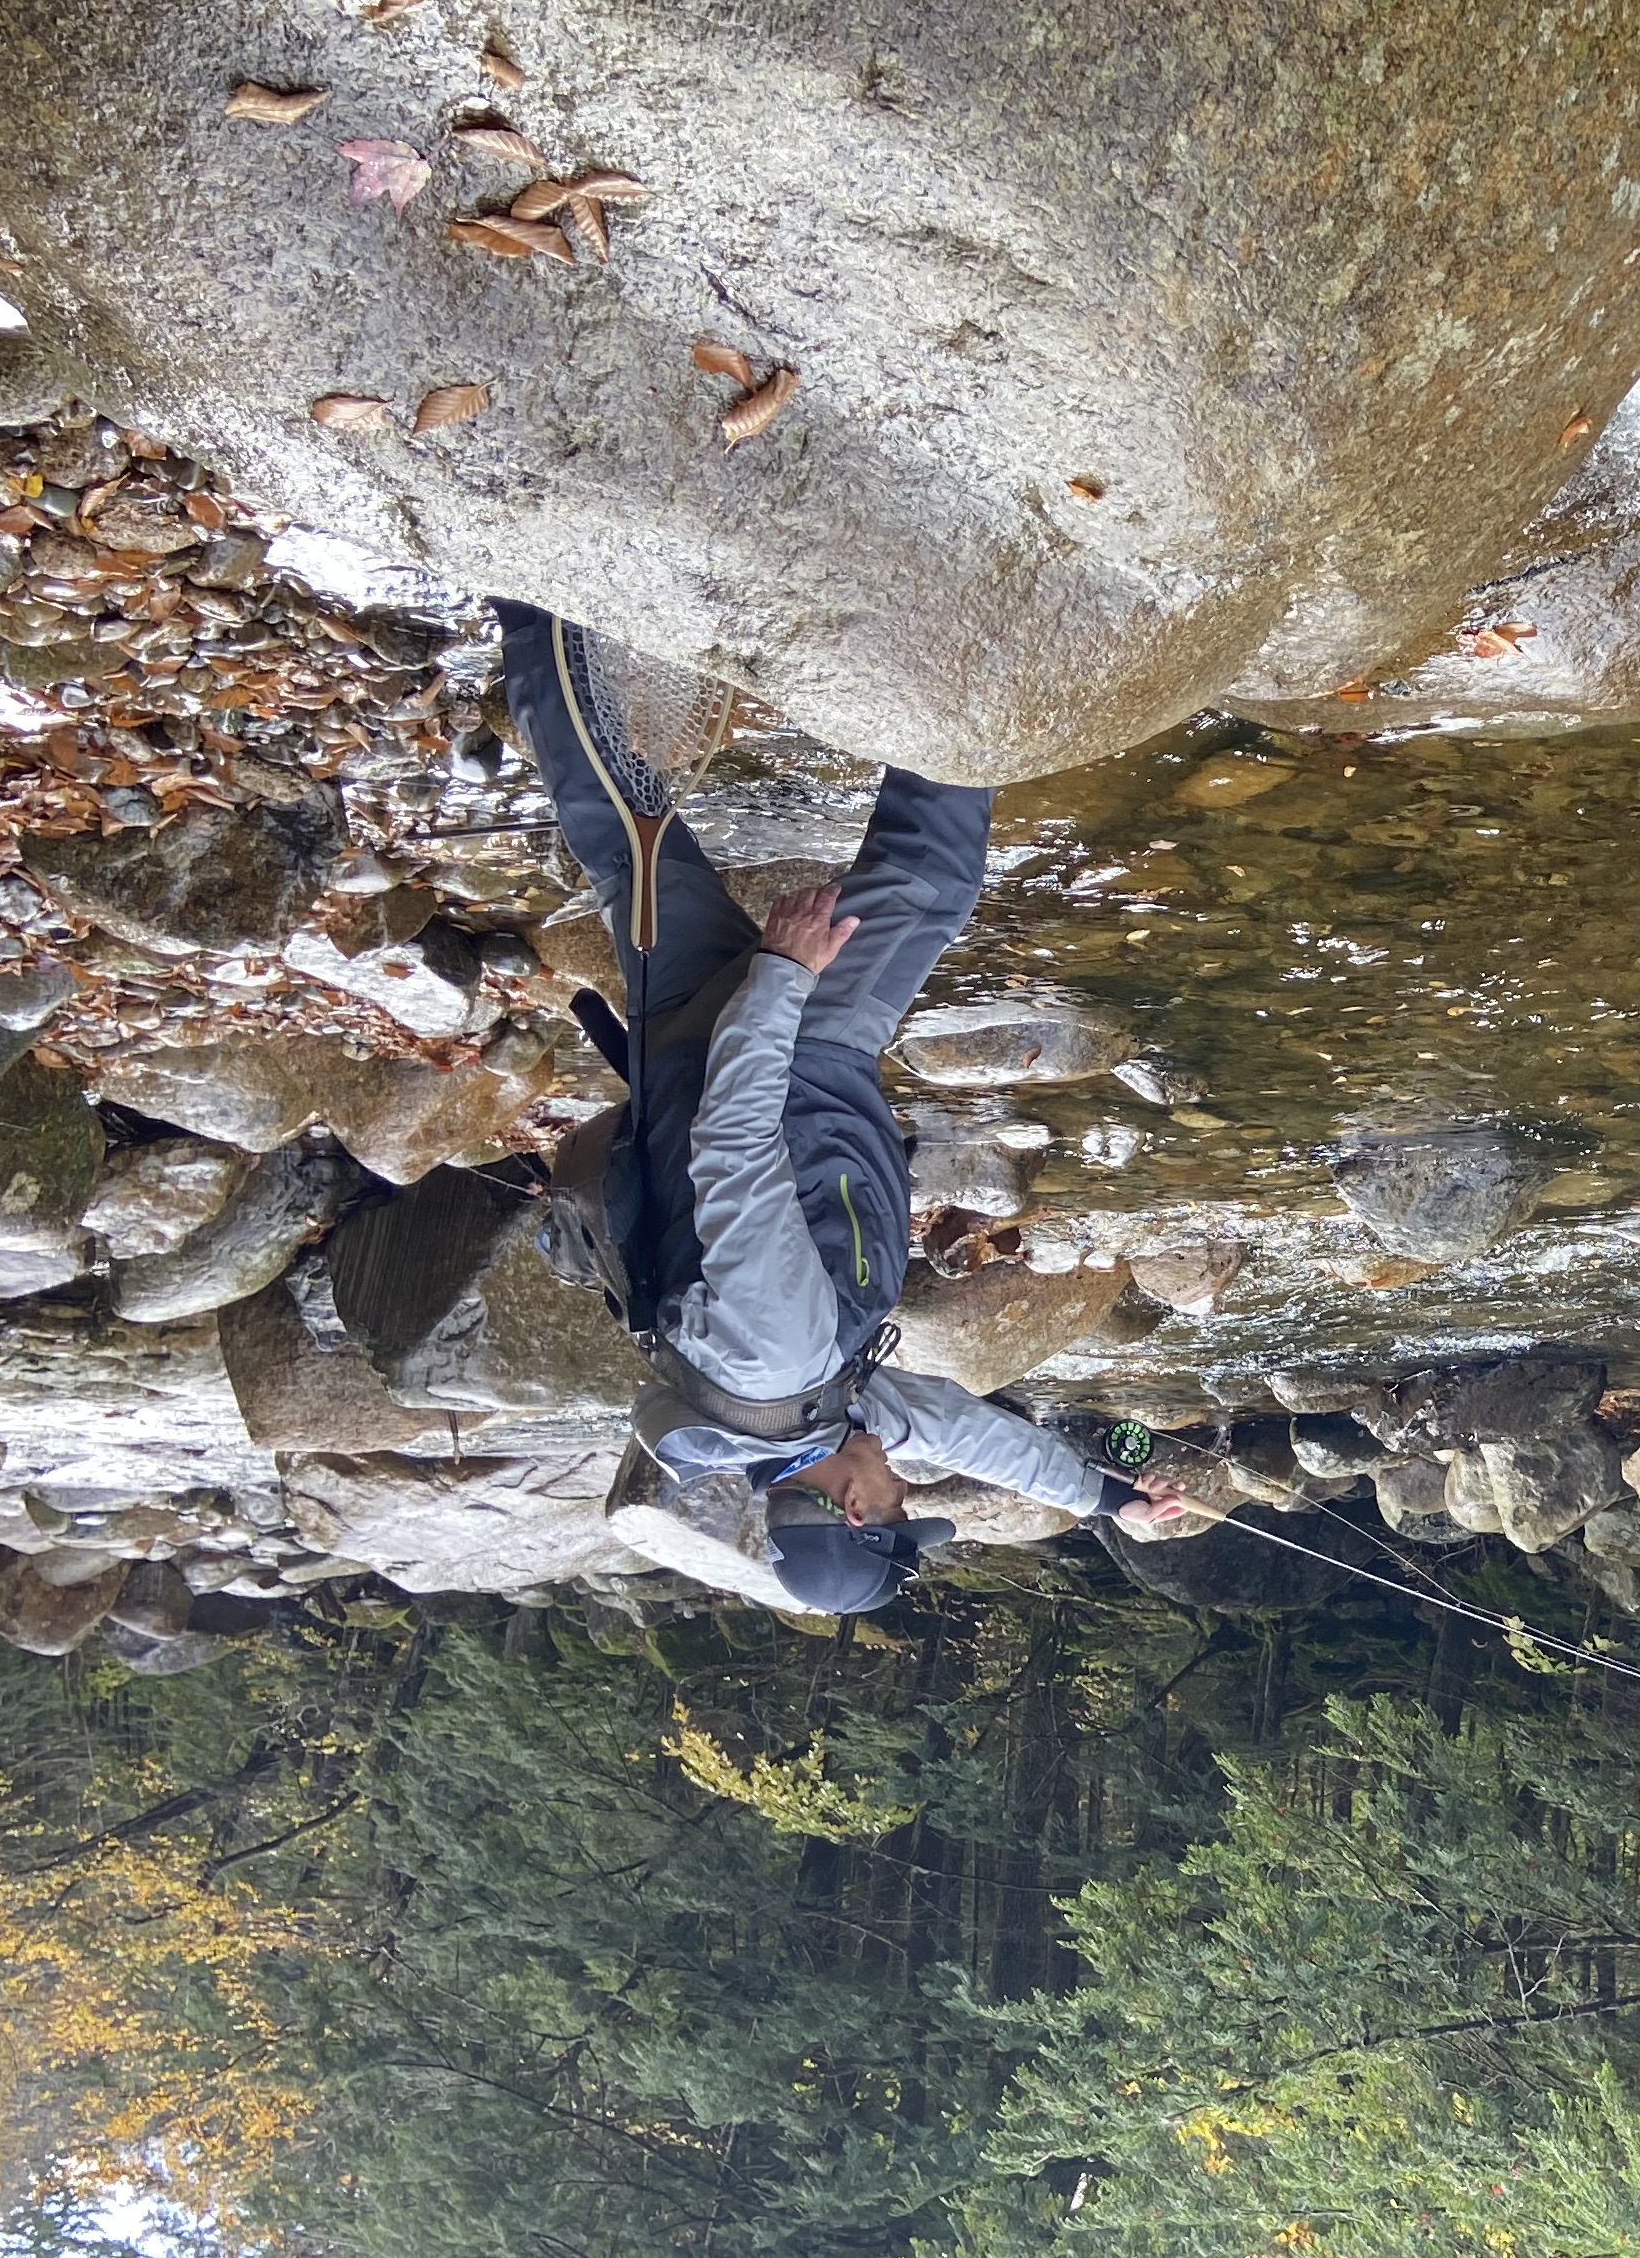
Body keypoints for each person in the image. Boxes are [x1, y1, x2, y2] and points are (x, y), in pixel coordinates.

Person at [495, 604, 1193, 1611]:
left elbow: (734, 1149)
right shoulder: (787, 1413)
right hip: (694, 1055)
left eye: (904, 1505)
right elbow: (953, 1430)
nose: (910, 1486)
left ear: (858, 1510)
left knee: (930, 875)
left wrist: (782, 977)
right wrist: (1103, 1497)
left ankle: (967, 623)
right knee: (624, 839)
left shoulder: (777, 1355)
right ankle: (533, 612)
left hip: (789, 1052)